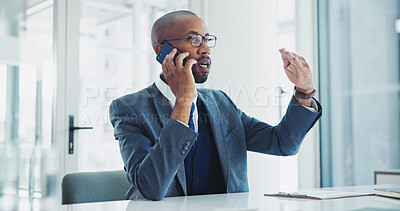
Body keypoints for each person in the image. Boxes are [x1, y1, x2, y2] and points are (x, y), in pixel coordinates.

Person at [109, 10, 322, 201]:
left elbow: (282, 143)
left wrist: (304, 91)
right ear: (162, 51)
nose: (206, 49)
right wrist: (183, 101)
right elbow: (151, 187)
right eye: (194, 39)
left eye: (207, 40)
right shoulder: (129, 109)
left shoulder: (220, 102)